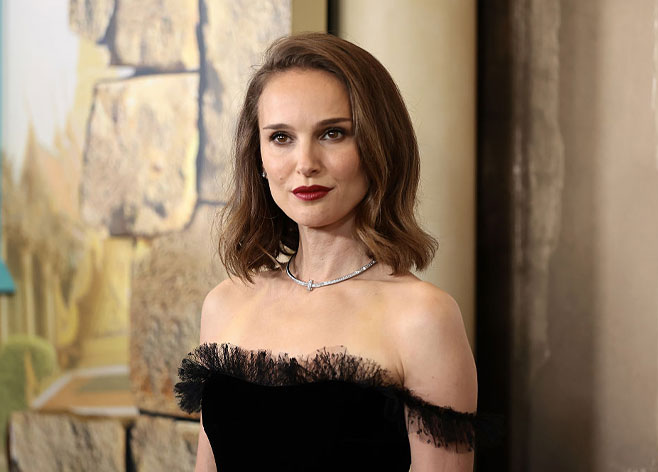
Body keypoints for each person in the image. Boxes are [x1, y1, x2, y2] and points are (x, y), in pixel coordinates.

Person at [175, 32, 481, 471]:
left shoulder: (423, 318)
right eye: (281, 137)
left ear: (377, 147)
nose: (305, 163)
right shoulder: (225, 303)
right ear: (258, 157)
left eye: (332, 133)